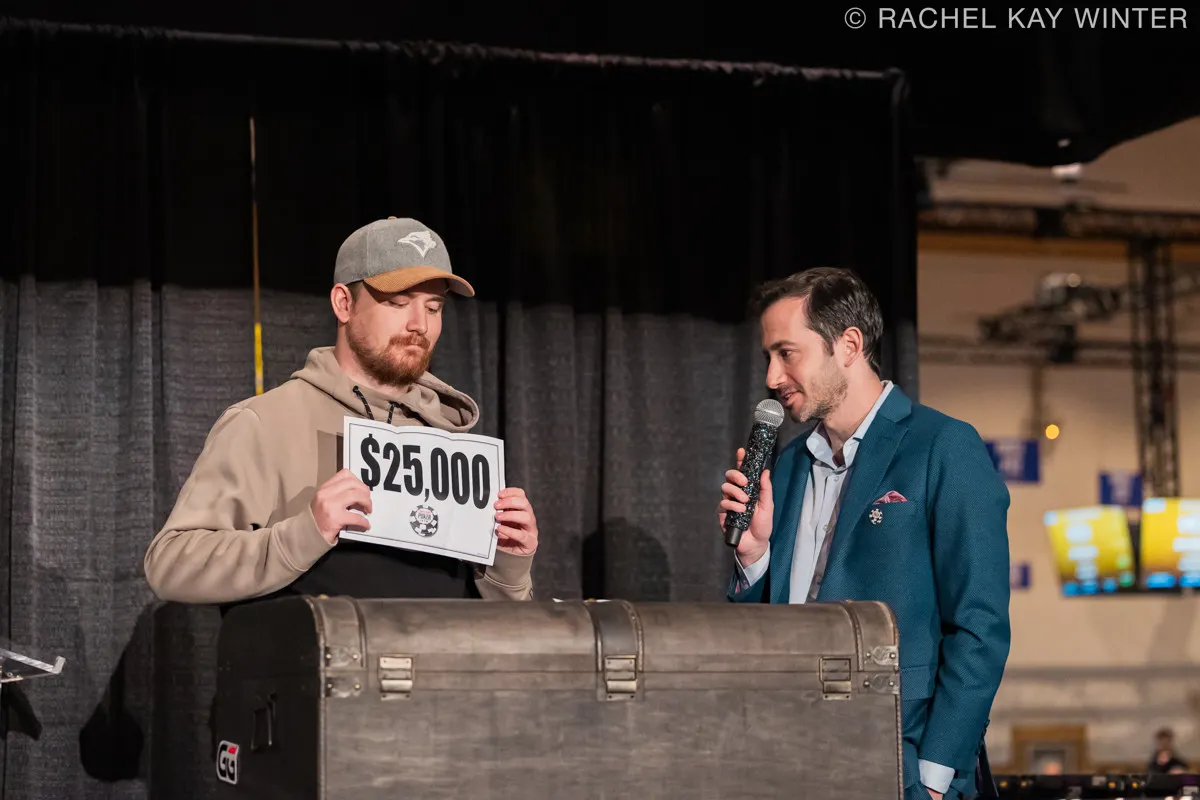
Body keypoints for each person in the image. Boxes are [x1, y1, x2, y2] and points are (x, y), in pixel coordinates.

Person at [717, 267, 1010, 800]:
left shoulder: (943, 446)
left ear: (848, 345)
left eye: (787, 353)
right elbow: (768, 631)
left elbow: (980, 626)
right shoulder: (788, 465)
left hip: (900, 762)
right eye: (768, 357)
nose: (772, 377)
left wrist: (933, 777)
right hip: (791, 758)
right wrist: (754, 555)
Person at [144, 217, 539, 605]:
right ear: (344, 304)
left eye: (434, 308)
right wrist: (304, 534)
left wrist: (507, 566)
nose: (420, 324)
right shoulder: (266, 423)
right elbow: (171, 565)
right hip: (316, 649)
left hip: (442, 650)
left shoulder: (451, 442)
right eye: (398, 303)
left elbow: (494, 623)